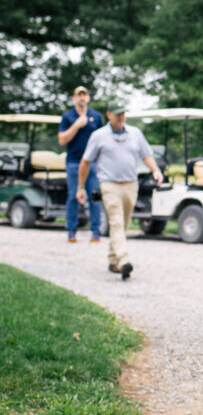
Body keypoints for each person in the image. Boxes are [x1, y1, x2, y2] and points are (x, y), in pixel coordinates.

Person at [76, 99, 162, 280]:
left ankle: (113, 260)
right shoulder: (99, 136)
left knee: (122, 224)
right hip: (109, 184)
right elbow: (85, 162)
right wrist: (81, 186)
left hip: (131, 184)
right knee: (116, 222)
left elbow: (146, 155)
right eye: (117, 114)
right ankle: (123, 261)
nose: (121, 117)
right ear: (108, 115)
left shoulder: (135, 133)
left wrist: (155, 170)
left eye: (123, 113)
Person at [58, 86, 104, 242]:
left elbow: (103, 139)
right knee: (73, 196)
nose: (82, 98)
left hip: (92, 162)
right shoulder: (68, 117)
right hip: (74, 162)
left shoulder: (96, 117)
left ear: (88, 98)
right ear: (74, 98)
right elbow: (62, 139)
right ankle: (71, 231)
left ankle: (96, 231)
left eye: (84, 95)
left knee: (95, 197)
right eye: (79, 95)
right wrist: (76, 125)